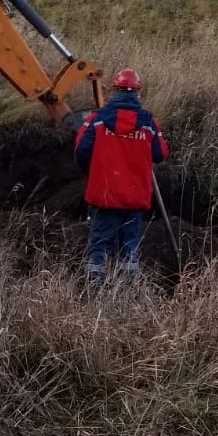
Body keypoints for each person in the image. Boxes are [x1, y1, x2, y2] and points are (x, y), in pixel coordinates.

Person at [74, 68, 169, 283]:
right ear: (137, 92)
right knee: (130, 241)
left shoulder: (96, 119)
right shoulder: (148, 123)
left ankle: (95, 286)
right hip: (134, 196)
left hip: (105, 193)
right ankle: (126, 288)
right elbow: (160, 154)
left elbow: (81, 150)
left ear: (115, 90)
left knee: (100, 240)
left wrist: (92, 172)